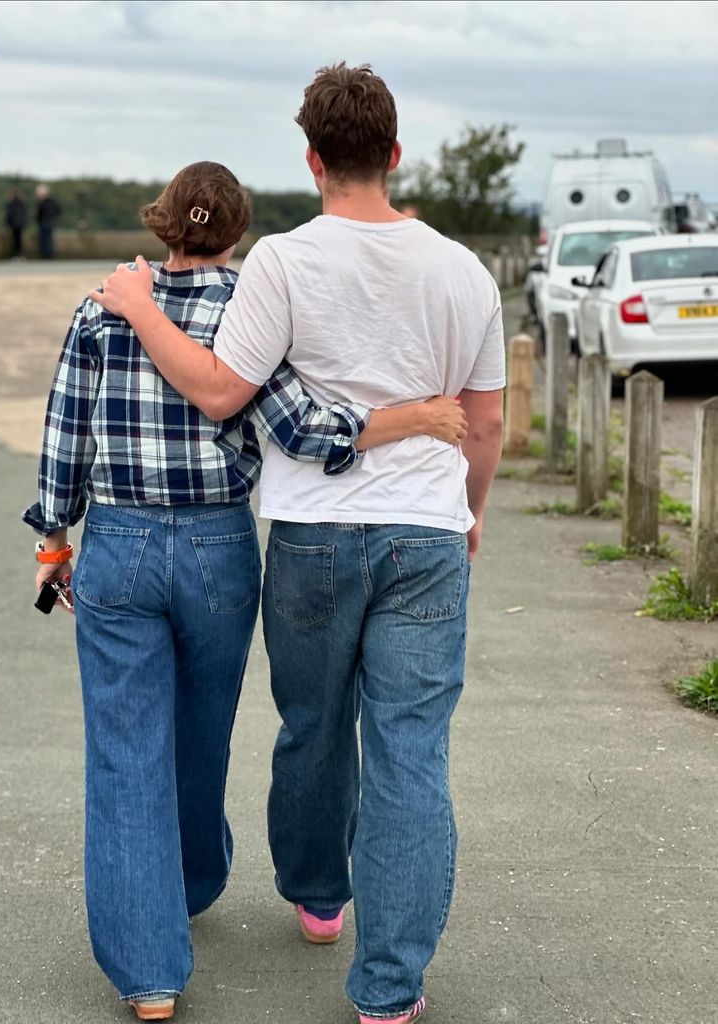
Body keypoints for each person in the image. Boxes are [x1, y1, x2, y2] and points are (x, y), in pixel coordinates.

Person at [90, 64, 505, 1024]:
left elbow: (224, 390)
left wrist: (143, 307)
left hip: (314, 535)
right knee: (410, 751)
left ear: (313, 159)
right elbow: (483, 426)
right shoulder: (462, 270)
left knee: (314, 726)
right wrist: (470, 508)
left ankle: (320, 896)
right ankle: (390, 991)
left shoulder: (282, 261)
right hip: (427, 531)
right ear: (395, 156)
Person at [35, 184, 61, 259]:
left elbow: (39, 214)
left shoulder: (43, 203)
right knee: (48, 239)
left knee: (46, 239)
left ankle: (48, 254)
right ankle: (49, 254)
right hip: (49, 222)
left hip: (45, 222)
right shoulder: (51, 202)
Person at [5, 189, 27, 259]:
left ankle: (16, 255)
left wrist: (8, 223)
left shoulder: (11, 204)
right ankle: (20, 254)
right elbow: (24, 214)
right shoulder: (21, 203)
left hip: (14, 224)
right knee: (19, 240)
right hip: (20, 224)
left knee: (15, 240)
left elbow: (9, 214)